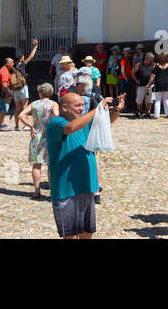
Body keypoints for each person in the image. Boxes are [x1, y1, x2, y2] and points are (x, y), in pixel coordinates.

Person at [46, 91, 122, 238]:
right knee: (70, 235)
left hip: (87, 185)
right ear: (65, 108)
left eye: (82, 105)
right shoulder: (55, 122)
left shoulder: (84, 122)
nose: (81, 108)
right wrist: (97, 109)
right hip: (66, 189)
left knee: (87, 232)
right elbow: (70, 128)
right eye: (77, 106)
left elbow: (107, 120)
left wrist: (116, 109)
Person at [18, 82, 59, 199]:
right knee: (51, 165)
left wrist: (31, 126)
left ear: (40, 93)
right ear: (50, 93)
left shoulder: (34, 104)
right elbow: (56, 115)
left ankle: (36, 191)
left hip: (36, 134)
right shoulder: (53, 104)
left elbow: (21, 115)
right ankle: (52, 191)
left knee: (37, 165)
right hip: (49, 135)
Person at [9, 39, 40, 124]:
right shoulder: (22, 64)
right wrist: (35, 47)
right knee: (25, 107)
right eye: (23, 57)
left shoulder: (13, 66)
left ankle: (16, 125)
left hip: (15, 88)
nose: (24, 57)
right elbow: (31, 56)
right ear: (21, 58)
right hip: (23, 86)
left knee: (17, 108)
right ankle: (26, 124)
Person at [151, 54, 168, 118]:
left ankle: (156, 115)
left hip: (159, 84)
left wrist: (148, 84)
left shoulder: (156, 66)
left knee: (158, 100)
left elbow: (153, 76)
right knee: (167, 99)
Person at [134, 52, 155, 118]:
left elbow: (153, 75)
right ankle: (140, 111)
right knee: (139, 100)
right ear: (146, 58)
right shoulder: (139, 65)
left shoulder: (153, 65)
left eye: (152, 59)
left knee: (150, 99)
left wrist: (149, 84)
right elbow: (133, 72)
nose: (151, 60)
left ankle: (148, 112)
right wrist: (136, 80)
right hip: (141, 85)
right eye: (150, 59)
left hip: (150, 85)